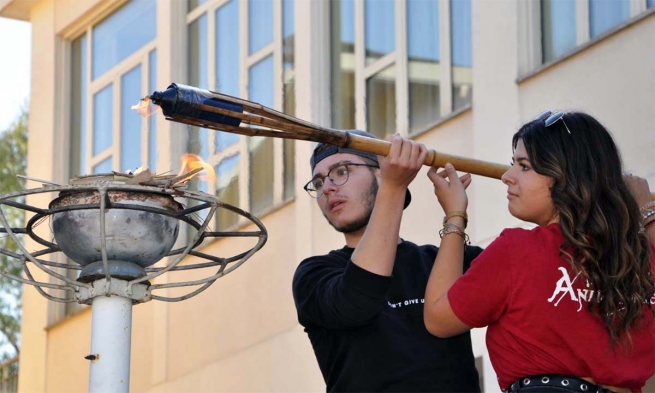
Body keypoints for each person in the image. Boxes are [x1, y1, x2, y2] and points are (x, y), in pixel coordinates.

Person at [423, 110, 655, 393]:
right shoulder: (643, 257)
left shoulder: (516, 251)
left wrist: (455, 216)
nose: (507, 177)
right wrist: (646, 213)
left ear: (565, 175)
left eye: (524, 166)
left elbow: (437, 318)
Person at [292, 130, 484, 392]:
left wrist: (455, 216)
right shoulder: (314, 274)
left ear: (381, 172)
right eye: (318, 182)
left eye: (341, 171)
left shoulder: (445, 260)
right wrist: (394, 187)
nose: (327, 188)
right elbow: (358, 302)